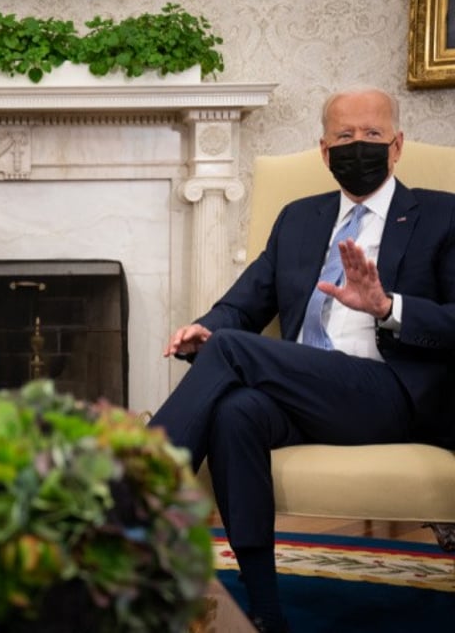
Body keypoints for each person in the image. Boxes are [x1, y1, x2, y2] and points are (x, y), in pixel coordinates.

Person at [148, 86, 455, 633]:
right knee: (235, 411)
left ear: (398, 145)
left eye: (372, 135)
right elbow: (245, 302)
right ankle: (264, 610)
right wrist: (206, 329)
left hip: (393, 393)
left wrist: (388, 306)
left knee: (235, 351)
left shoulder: (440, 215)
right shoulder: (299, 218)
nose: (357, 146)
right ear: (323, 149)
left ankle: (136, 493)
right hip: (307, 390)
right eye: (344, 137)